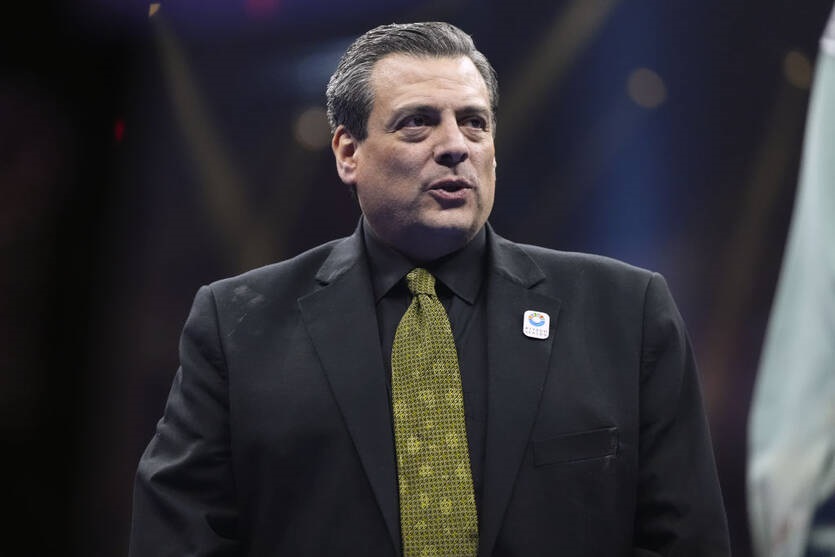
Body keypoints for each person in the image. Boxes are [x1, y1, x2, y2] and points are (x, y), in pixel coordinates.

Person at [129, 21, 731, 556]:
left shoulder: (626, 313)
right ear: (347, 151)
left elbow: (685, 539)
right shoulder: (238, 324)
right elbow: (178, 538)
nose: (454, 146)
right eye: (417, 122)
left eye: (474, 122)